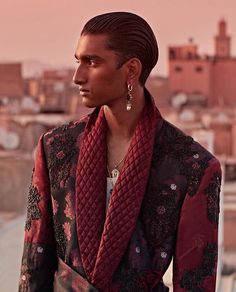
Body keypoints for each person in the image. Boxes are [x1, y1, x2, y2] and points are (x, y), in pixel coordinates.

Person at [19, 12, 221, 292]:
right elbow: (33, 266)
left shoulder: (191, 164)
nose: (78, 77)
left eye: (92, 62)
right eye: (78, 61)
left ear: (131, 70)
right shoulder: (56, 148)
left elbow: (195, 283)